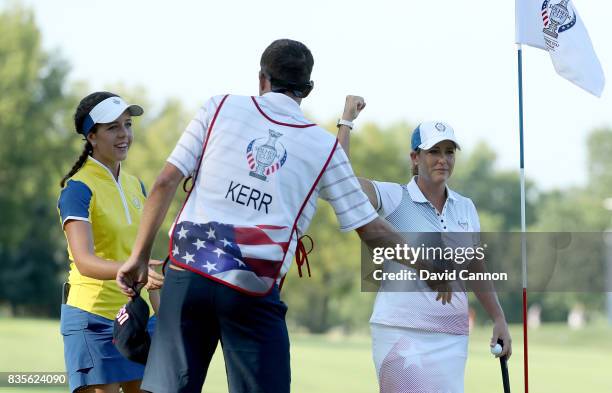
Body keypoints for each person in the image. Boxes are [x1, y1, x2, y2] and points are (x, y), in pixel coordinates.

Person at [115, 39, 415, 393]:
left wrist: (137, 258)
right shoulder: (323, 146)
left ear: (262, 79)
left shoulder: (219, 106)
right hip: (251, 290)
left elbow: (165, 182)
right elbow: (374, 230)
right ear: (308, 89)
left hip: (187, 276)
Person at [337, 109, 512, 393]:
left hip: (451, 334)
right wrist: (346, 122)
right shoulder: (394, 197)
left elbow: (475, 269)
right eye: (434, 151)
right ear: (415, 158)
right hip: (400, 330)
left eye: (449, 151)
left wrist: (499, 318)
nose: (443, 159)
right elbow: (342, 182)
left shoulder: (465, 207)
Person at [57, 92, 163, 393]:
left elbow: (144, 259)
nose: (124, 134)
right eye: (112, 127)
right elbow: (84, 260)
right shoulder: (77, 189)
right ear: (91, 136)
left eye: (127, 124)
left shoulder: (135, 185)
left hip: (137, 319)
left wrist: (162, 317)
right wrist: (131, 269)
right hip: (93, 320)